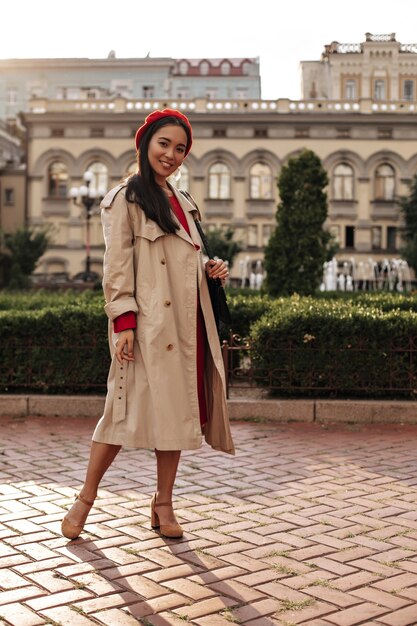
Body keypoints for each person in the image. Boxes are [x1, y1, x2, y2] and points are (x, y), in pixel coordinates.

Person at [61, 108, 235, 541]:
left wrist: (210, 267)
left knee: (175, 416)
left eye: (180, 148)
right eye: (164, 144)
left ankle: (163, 504)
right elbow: (116, 267)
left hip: (186, 326)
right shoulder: (126, 198)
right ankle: (84, 498)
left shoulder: (185, 202)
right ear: (145, 143)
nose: (172, 155)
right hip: (145, 328)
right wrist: (123, 322)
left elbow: (186, 259)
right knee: (119, 413)